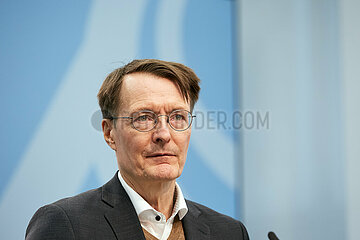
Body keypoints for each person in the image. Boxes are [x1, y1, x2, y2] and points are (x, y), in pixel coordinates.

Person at [25, 59, 249, 240]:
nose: (164, 134)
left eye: (178, 117)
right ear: (109, 133)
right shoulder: (66, 224)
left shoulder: (229, 232)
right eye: (144, 118)